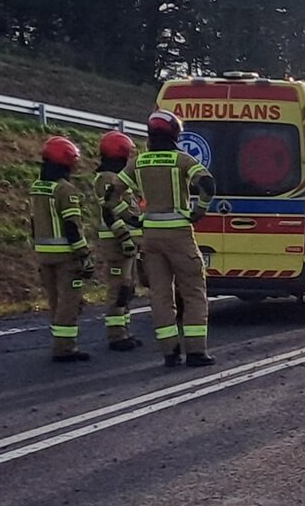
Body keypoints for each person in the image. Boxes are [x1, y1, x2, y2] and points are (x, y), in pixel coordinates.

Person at [114, 110, 217, 367]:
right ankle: (196, 352)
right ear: (175, 134)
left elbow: (111, 195)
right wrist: (198, 211)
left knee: (160, 295)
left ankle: (169, 353)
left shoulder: (137, 163)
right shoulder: (181, 161)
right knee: (193, 292)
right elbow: (208, 184)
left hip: (151, 236)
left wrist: (131, 218)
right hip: (179, 234)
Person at [29, 136, 95, 362]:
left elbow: (33, 221)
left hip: (43, 253)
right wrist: (84, 255)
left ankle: (59, 343)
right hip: (66, 256)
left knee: (55, 302)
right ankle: (65, 348)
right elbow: (72, 226)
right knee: (70, 303)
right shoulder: (65, 190)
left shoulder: (38, 187)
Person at [93, 131, 144, 350]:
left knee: (128, 287)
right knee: (118, 288)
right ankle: (116, 336)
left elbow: (125, 208)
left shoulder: (117, 177)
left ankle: (124, 331)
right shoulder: (106, 178)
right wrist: (125, 237)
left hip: (127, 243)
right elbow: (110, 211)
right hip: (117, 243)